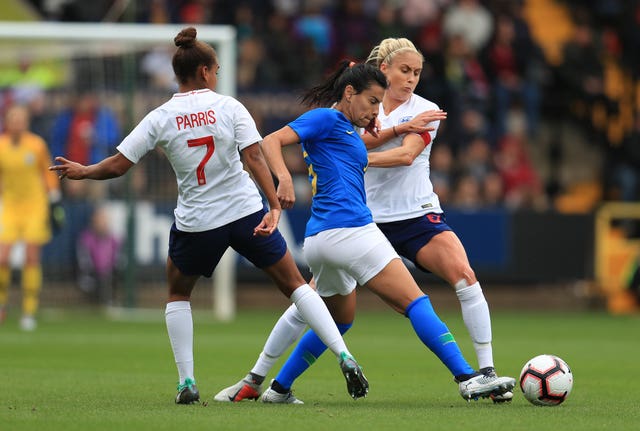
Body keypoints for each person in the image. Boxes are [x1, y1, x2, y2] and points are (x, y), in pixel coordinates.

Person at [49, 27, 367, 404]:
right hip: (246, 212)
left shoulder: (161, 116)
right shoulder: (229, 107)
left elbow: (119, 165)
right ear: (203, 72)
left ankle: (187, 383)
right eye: (214, 69)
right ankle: (343, 354)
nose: (216, 75)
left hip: (198, 222)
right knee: (297, 285)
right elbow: (253, 157)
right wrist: (274, 204)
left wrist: (83, 171)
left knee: (179, 292)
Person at [214, 58, 515, 404]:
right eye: (372, 102)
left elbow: (361, 145)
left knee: (336, 319)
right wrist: (283, 180)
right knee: (415, 301)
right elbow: (270, 141)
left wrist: (397, 129)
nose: (376, 111)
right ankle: (467, 377)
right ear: (348, 92)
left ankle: (277, 388)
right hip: (352, 229)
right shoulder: (326, 117)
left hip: (321, 239)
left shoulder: (343, 129)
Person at [0, 104, 62, 331]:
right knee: (3, 258)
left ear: (26, 122)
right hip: (10, 207)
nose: (16, 123)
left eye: (20, 119)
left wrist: (54, 198)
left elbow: (48, 174)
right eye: (12, 119)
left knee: (31, 257)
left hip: (35, 206)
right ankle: (2, 305)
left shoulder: (36, 145)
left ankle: (29, 310)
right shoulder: (1, 146)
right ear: (7, 122)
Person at [76, 205, 123, 305]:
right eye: (100, 220)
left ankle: (110, 301)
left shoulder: (114, 239)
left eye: (104, 220)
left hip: (110, 275)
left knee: (112, 278)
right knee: (93, 281)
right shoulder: (86, 239)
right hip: (92, 275)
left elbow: (118, 259)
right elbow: (84, 263)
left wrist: (109, 270)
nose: (103, 223)